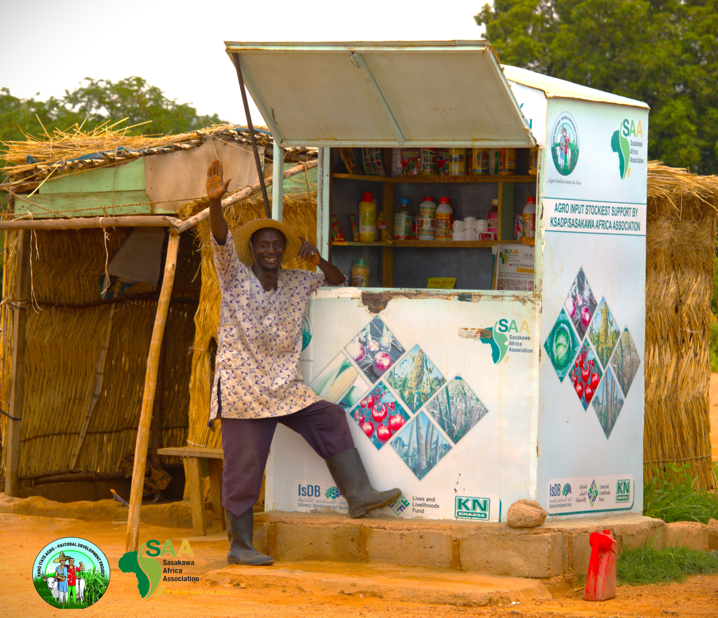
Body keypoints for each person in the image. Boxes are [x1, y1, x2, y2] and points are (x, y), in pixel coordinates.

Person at [206, 159, 401, 567]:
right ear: (252, 250)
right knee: (244, 467)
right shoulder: (235, 277)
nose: (272, 251)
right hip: (243, 391)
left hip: (284, 387)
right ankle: (240, 545)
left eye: (278, 245)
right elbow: (221, 241)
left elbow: (337, 280)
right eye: (264, 245)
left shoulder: (297, 280)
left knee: (328, 416)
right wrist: (214, 204)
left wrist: (316, 260)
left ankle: (359, 496)